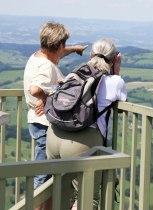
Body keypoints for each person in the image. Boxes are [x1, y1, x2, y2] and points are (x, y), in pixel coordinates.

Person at [46, 38, 127, 210]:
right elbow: (121, 103)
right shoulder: (115, 81)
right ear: (115, 58)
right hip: (82, 142)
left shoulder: (74, 74)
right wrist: (116, 70)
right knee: (87, 199)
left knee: (61, 192)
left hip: (54, 135)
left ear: (90, 55)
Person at [23, 21, 87, 210]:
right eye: (64, 45)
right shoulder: (46, 66)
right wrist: (45, 96)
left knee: (47, 173)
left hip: (35, 122)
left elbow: (56, 52)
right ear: (58, 45)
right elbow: (35, 89)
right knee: (44, 175)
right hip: (43, 123)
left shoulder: (36, 56)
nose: (64, 49)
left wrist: (74, 49)